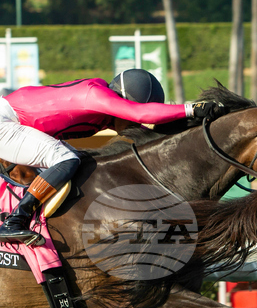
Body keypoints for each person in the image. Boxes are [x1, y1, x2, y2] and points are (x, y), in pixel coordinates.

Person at [0, 69, 220, 246]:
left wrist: (189, 129)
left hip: (12, 120)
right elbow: (141, 114)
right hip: (6, 121)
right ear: (123, 101)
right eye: (130, 114)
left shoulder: (104, 110)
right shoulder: (97, 95)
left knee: (79, 161)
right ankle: (15, 221)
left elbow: (147, 131)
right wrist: (191, 109)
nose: (135, 124)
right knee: (66, 159)